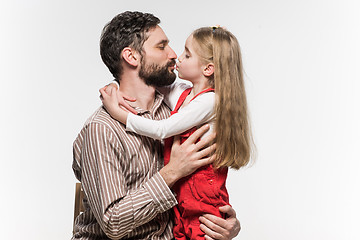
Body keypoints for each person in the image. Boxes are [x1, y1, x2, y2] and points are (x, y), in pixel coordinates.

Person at [72, 11, 240, 240]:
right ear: (131, 57)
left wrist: (224, 224)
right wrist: (172, 172)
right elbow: (112, 224)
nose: (173, 55)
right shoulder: (102, 128)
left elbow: (198, 188)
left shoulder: (176, 112)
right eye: (162, 47)